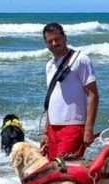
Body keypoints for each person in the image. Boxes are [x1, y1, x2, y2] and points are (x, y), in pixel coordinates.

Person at [40, 23, 99, 162]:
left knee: (66, 172)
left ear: (65, 38)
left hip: (73, 126)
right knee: (52, 171)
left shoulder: (80, 59)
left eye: (57, 39)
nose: (54, 43)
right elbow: (52, 98)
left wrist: (88, 129)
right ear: (46, 44)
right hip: (52, 128)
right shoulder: (49, 65)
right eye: (50, 41)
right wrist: (45, 132)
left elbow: (93, 95)